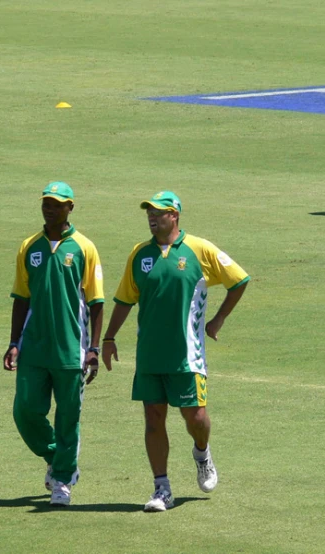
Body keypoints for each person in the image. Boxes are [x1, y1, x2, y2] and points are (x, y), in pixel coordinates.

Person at [102, 191, 249, 512]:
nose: (152, 218)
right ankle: (161, 488)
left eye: (159, 213)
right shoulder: (140, 254)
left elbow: (239, 280)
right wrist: (109, 338)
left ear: (175, 216)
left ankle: (202, 452)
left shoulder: (199, 249)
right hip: (150, 357)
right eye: (149, 214)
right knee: (154, 421)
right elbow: (125, 299)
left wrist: (218, 319)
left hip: (188, 356)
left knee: (195, 417)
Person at [3, 181, 104, 507]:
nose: (50, 207)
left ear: (70, 208)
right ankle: (56, 456)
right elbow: (21, 298)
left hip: (70, 351)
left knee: (67, 419)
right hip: (33, 348)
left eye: (57, 203)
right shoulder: (28, 247)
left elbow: (96, 302)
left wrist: (94, 349)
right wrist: (14, 342)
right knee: (25, 411)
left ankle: (62, 480)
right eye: (46, 202)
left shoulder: (84, 248)